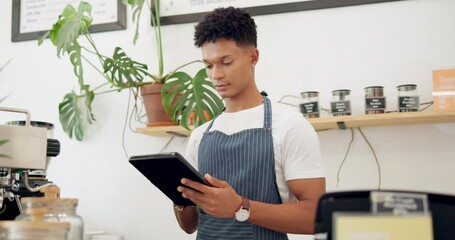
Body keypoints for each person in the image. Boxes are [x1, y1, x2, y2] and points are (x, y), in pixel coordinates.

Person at [174, 6, 326, 240]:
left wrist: (239, 207)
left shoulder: (289, 126)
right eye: (208, 65)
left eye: (225, 62)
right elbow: (190, 226)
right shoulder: (201, 135)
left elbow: (316, 217)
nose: (215, 75)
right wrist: (179, 198)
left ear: (253, 57)